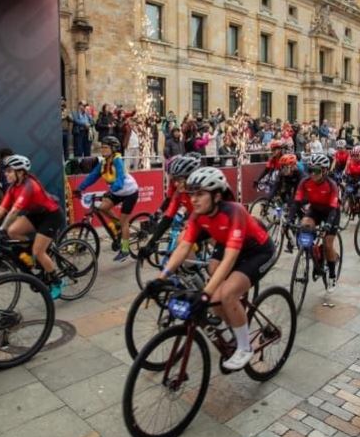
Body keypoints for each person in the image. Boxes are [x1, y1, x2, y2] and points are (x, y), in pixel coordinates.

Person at [155, 167, 275, 370]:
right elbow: (183, 247)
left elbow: (230, 258)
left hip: (259, 251)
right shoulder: (198, 215)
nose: (193, 199)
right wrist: (161, 277)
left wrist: (205, 293)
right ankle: (236, 323)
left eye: (200, 193)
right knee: (216, 295)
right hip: (230, 245)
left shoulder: (234, 211)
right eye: (191, 193)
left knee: (226, 293)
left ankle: (245, 347)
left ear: (217, 195)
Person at [0, 154, 66, 298]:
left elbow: (14, 211)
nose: (6, 174)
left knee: (38, 251)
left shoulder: (29, 186)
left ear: (20, 172)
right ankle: (34, 258)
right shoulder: (13, 187)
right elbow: (2, 208)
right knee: (13, 231)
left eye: (9, 171)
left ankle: (57, 281)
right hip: (36, 214)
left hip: (51, 215)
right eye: (6, 171)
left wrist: (0, 229)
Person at [74, 136, 139, 262]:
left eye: (105, 147)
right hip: (117, 191)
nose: (102, 149)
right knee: (102, 208)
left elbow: (120, 180)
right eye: (101, 147)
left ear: (113, 149)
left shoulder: (117, 160)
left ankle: (125, 250)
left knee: (124, 221)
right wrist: (80, 188)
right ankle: (117, 225)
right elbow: (93, 176)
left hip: (129, 192)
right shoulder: (103, 162)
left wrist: (111, 190)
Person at [288, 153, 341, 291]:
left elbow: (334, 209)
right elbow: (297, 202)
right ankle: (314, 252)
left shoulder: (332, 185)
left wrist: (328, 224)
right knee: (304, 225)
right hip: (315, 210)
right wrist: (289, 219)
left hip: (331, 212)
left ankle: (332, 276)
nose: (312, 174)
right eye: (310, 170)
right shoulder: (305, 182)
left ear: (324, 171)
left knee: (328, 244)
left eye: (316, 171)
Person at [139, 154, 201, 257]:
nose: (175, 183)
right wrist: (151, 243)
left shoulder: (202, 191)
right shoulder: (179, 191)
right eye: (172, 179)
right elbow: (168, 215)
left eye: (178, 179)